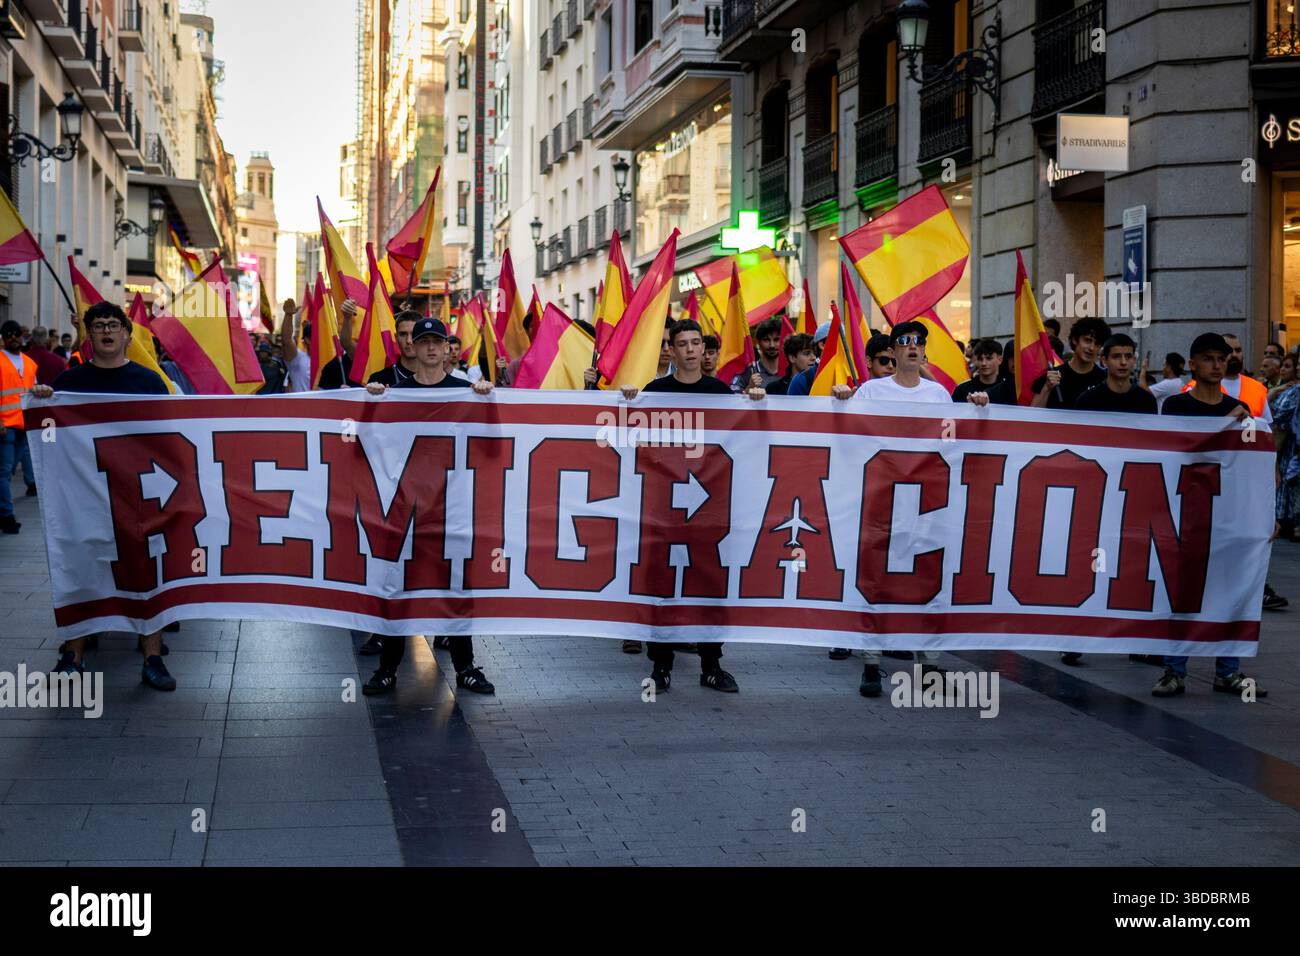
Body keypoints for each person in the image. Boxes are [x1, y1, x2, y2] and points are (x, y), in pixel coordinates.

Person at [30, 302, 177, 691]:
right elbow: (49, 439)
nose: (107, 331)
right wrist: (43, 401)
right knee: (81, 570)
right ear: (89, 335)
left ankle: (153, 658)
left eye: (114, 325)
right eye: (98, 326)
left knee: (147, 575)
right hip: (84, 499)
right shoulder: (68, 383)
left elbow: (169, 442)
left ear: (128, 335)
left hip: (137, 499)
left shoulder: (149, 383)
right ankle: (71, 654)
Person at [621, 318, 766, 694]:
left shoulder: (720, 393)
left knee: (708, 584)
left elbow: (750, 437)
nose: (689, 349)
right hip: (663, 509)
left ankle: (712, 664)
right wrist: (625, 401)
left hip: (708, 509)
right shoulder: (655, 392)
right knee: (663, 585)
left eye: (695, 342)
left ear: (704, 348)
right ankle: (661, 665)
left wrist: (755, 403)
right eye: (681, 343)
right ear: (671, 349)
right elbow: (628, 437)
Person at [362, 316, 497, 696]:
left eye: (438, 341)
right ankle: (387, 668)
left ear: (447, 347)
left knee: (456, 589)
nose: (432, 348)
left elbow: (491, 445)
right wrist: (369, 404)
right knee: (395, 588)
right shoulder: (394, 393)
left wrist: (488, 401)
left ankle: (465, 666)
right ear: (413, 348)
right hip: (404, 508)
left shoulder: (465, 392)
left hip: (451, 508)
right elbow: (364, 442)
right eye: (424, 342)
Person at [831, 321, 950, 697]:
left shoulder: (938, 395)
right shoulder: (871, 390)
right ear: (894, 351)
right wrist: (841, 400)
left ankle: (929, 661)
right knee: (876, 578)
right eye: (905, 342)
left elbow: (954, 441)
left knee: (927, 577)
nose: (912, 348)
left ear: (924, 351)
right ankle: (871, 662)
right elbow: (850, 432)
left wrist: (977, 407)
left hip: (926, 500)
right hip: (882, 498)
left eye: (918, 342)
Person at [1153, 332, 1268, 698]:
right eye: (1208, 358)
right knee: (1182, 593)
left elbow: (1253, 467)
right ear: (1192, 364)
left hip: (1228, 515)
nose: (1217, 365)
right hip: (1185, 512)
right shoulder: (1176, 407)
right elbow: (1169, 453)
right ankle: (1174, 670)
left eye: (1221, 359)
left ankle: (1228, 669)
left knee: (1230, 588)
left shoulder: (1237, 410)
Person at [0, 320, 38, 534]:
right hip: (5, 426)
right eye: (9, 334)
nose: (14, 338)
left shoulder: (30, 363)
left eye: (17, 334)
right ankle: (7, 516)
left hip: (24, 424)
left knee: (8, 471)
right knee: (4, 473)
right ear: (3, 338)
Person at [1031, 317, 1110, 408]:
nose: (1092, 348)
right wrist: (1046, 388)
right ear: (1075, 340)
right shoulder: (1051, 376)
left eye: (1097, 344)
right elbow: (1033, 416)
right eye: (1087, 340)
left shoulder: (1105, 380)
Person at [1074, 333, 1157, 414]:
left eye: (1128, 356)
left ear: (1134, 360)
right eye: (1116, 356)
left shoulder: (1147, 401)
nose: (1123, 362)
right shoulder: (1087, 401)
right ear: (1104, 361)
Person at [1269, 352, 1299, 542]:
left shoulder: (1293, 390)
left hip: (1290, 444)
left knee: (1289, 482)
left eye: (1289, 365)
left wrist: (1270, 396)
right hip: (1286, 444)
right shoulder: (1287, 389)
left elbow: (1278, 414)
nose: (1289, 369)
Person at [952, 338, 1015, 405]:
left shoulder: (1009, 389)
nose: (984, 363)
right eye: (980, 359)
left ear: (1000, 359)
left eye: (989, 358)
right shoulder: (962, 389)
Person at [731, 317, 784, 391]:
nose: (772, 345)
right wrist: (749, 388)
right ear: (758, 342)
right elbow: (732, 398)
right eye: (766, 340)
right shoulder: (747, 371)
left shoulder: (791, 371)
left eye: (776, 340)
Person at [786, 323, 830, 396]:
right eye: (806, 353)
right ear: (822, 345)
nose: (813, 358)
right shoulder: (801, 381)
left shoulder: (853, 374)